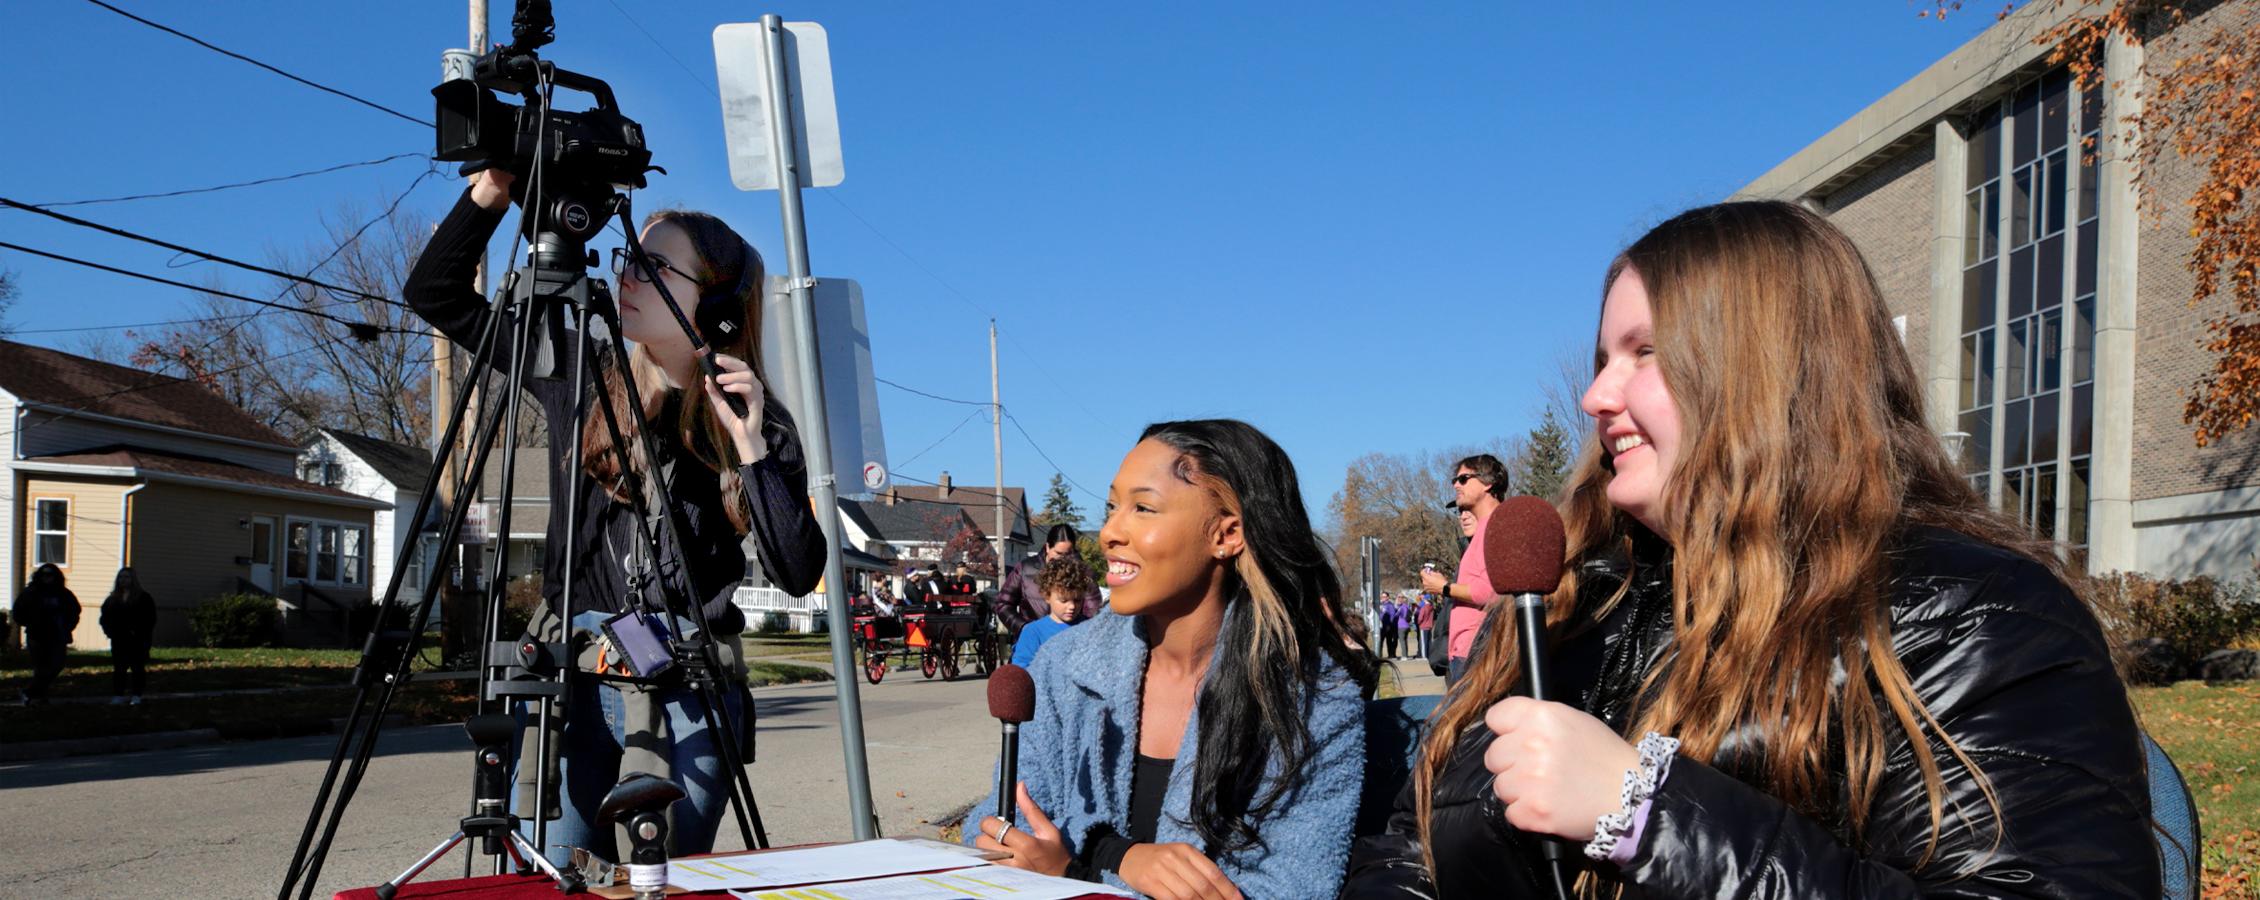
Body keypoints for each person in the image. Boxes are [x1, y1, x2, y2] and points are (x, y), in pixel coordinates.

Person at [1342, 201, 2155, 896]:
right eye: (1600, 361)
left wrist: (1647, 812)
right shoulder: (1565, 602)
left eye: (1645, 353)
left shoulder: (1973, 618)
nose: (1594, 397)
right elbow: (1412, 855)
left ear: (1764, 371)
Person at [404, 167, 827, 866]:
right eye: (630, 258)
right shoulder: (581, 372)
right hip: (571, 681)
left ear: (717, 302)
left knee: (658, 885)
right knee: (551, 879)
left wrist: (750, 448)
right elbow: (434, 294)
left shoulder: (755, 420)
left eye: (654, 265)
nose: (628, 274)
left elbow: (796, 571)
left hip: (686, 692)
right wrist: (493, 193)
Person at [972, 420, 1378, 898]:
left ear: (1226, 534)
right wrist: (1116, 857)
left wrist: (1077, 868)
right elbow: (999, 827)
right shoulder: (1064, 668)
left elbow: (1296, 886)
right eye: (1111, 507)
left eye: (1143, 508)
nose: (1107, 533)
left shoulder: (1314, 702)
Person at [1418, 454, 1507, 684]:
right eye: (1455, 480)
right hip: (1466, 654)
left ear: (1488, 483)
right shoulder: (1484, 531)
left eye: (1464, 478)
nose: (1456, 484)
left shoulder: (1498, 526)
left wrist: (1444, 587)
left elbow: (1493, 592)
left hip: (1479, 652)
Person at [997, 523, 1105, 635]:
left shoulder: (1083, 573)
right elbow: (1003, 604)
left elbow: (1093, 611)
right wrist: (1024, 628)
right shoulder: (1025, 569)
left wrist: (1080, 634)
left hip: (1069, 640)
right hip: (1033, 641)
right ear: (1048, 547)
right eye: (1058, 553)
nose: (1063, 558)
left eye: (1068, 554)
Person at [1009, 549, 1094, 668]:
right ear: (1047, 596)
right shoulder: (1033, 632)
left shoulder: (1090, 628)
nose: (1072, 606)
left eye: (1077, 600)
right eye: (1064, 600)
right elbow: (1022, 673)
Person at [12, 563, 79, 705]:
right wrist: (29, 623)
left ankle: (29, 692)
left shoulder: (64, 594)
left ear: (56, 577)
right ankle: (40, 697)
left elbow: (74, 611)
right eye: (44, 574)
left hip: (58, 635)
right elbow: (18, 611)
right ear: (38, 576)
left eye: (50, 574)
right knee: (41, 667)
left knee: (57, 665)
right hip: (37, 635)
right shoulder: (30, 593)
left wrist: (68, 627)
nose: (47, 577)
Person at [99, 567, 157, 705]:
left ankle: (137, 695)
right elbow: (105, 618)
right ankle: (118, 694)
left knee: (137, 668)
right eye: (121, 577)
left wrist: (139, 632)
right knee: (119, 668)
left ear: (133, 580)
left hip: (138, 640)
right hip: (119, 639)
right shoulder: (112, 599)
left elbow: (150, 619)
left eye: (126, 577)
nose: (123, 580)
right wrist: (110, 632)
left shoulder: (144, 598)